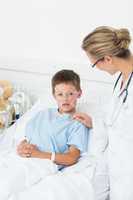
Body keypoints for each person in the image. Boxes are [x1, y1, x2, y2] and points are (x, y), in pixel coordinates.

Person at [0, 69, 89, 199]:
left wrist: (38, 154)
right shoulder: (43, 114)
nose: (65, 98)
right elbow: (27, 138)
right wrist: (21, 147)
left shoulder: (77, 123)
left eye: (70, 93)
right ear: (54, 95)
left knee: (7, 185)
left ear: (79, 93)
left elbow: (71, 158)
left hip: (43, 163)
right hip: (21, 157)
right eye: (60, 94)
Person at [73, 26, 133, 200]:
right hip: (118, 168)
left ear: (107, 59)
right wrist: (95, 123)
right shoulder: (122, 79)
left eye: (94, 64)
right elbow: (118, 122)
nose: (97, 68)